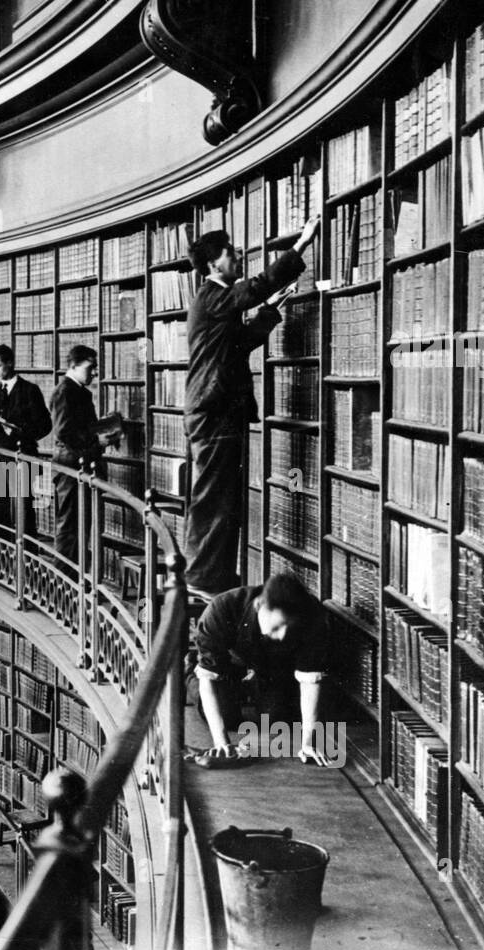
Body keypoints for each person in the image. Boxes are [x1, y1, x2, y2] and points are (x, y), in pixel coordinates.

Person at [184, 217, 321, 597]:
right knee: (214, 500)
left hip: (218, 411)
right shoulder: (212, 296)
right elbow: (256, 287)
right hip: (214, 412)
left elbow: (240, 342)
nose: (237, 255)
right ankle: (204, 581)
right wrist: (302, 244)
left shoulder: (215, 301)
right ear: (214, 265)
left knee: (222, 500)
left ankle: (214, 579)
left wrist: (270, 310)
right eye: (230, 252)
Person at [189, 572, 333, 767]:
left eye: (288, 626)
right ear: (259, 607)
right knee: (225, 715)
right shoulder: (222, 608)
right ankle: (188, 674)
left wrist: (309, 742)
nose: (282, 635)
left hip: (272, 668)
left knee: (277, 718)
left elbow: (310, 679)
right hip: (227, 666)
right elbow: (209, 681)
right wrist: (222, 744)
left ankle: (251, 688)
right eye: (278, 626)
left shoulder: (312, 615)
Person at [0, 344, 51, 538]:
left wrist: (18, 431)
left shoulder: (29, 390)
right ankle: (1, 558)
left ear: (10, 363)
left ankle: (28, 558)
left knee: (24, 508)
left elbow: (45, 425)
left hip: (21, 456)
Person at [50, 345, 111, 567]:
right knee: (69, 527)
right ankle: (62, 583)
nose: (95, 372)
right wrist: (97, 441)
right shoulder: (65, 391)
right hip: (70, 467)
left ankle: (73, 579)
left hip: (79, 465)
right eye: (91, 367)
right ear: (74, 366)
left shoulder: (77, 391)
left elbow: (78, 427)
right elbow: (65, 432)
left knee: (79, 525)